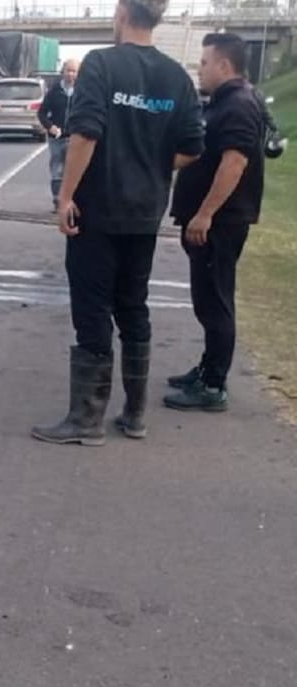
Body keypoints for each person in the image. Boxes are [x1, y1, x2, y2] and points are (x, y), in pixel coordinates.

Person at [31, 0, 205, 446]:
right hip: (144, 213)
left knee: (93, 309)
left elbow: (85, 134)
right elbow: (192, 148)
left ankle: (86, 420)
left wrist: (66, 196)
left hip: (99, 209)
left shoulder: (101, 64)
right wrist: (151, 163)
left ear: (123, 13)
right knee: (133, 306)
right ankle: (134, 414)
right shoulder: (177, 77)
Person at [165, 33, 266, 413]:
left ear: (224, 65)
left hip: (221, 222)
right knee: (206, 299)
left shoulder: (238, 105)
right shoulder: (224, 102)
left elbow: (234, 163)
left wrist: (206, 213)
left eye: (205, 63)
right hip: (212, 221)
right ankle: (208, 368)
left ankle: (213, 385)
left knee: (215, 301)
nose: (200, 69)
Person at [38, 59, 80, 210]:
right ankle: (58, 201)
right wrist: (50, 127)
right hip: (56, 139)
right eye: (68, 70)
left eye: (74, 71)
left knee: (74, 170)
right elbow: (41, 113)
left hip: (75, 138)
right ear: (63, 71)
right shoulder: (54, 91)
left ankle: (72, 201)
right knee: (57, 170)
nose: (71, 74)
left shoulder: (83, 92)